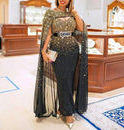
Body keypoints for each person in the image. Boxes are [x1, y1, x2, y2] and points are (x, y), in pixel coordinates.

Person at [34, 0, 88, 129]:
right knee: (62, 79)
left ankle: (61, 109)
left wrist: (75, 13)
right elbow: (47, 33)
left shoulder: (71, 14)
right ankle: (68, 112)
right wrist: (43, 50)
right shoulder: (50, 13)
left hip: (72, 51)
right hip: (56, 50)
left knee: (68, 81)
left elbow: (81, 28)